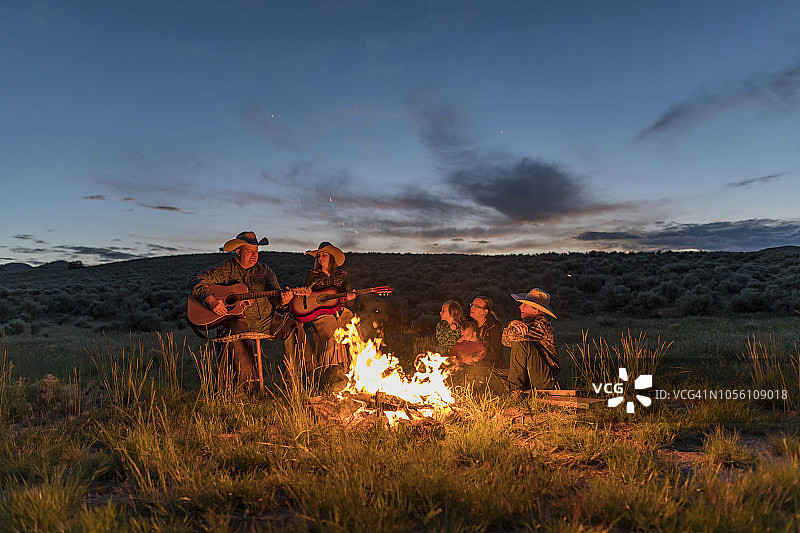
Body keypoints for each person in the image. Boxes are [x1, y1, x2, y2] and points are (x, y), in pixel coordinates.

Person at [189, 231, 309, 390]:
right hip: (239, 321)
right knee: (239, 332)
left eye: (256, 252)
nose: (254, 255)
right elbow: (195, 281)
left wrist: (284, 300)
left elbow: (276, 299)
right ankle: (245, 389)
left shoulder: (265, 271)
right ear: (238, 252)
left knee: (295, 328)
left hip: (266, 319)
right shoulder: (225, 269)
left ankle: (295, 381)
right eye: (249, 251)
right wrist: (210, 301)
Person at [293, 242, 356, 381]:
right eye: (318, 256)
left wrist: (350, 297)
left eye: (324, 255)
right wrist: (307, 293)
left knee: (351, 329)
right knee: (334, 333)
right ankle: (333, 372)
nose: (320, 258)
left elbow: (350, 302)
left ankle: (352, 367)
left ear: (332, 257)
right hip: (321, 313)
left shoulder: (342, 275)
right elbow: (304, 299)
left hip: (341, 311)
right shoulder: (313, 274)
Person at [503, 288, 560, 391]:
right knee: (489, 372)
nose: (520, 307)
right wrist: (511, 324)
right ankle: (514, 388)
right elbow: (505, 341)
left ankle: (514, 391)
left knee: (520, 343)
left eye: (525, 305)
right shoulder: (527, 325)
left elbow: (513, 337)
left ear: (535, 310)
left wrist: (513, 325)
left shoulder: (542, 325)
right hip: (535, 375)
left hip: (546, 380)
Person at [469, 296, 503, 366]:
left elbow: (496, 354)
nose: (472, 308)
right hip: (473, 363)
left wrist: (480, 356)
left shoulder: (494, 328)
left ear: (485, 312)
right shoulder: (470, 326)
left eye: (476, 306)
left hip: (489, 367)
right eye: (472, 305)